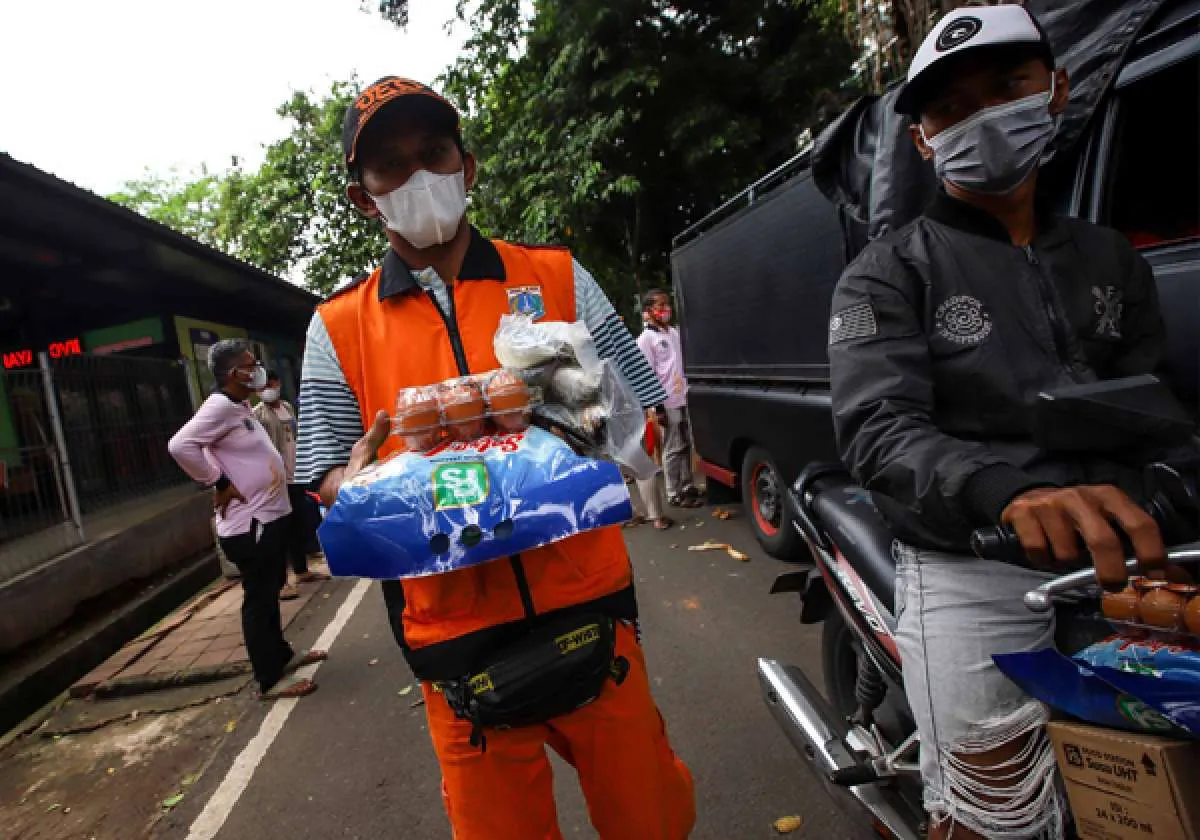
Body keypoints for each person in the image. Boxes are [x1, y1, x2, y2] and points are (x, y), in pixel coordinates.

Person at [294, 77, 694, 839]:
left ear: (466, 166)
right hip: (453, 643)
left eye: (433, 152)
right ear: (363, 196)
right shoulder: (337, 327)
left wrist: (582, 420)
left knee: (651, 818)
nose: (418, 176)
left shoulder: (554, 277)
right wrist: (362, 485)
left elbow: (641, 426)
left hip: (590, 610)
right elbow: (326, 478)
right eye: (390, 165)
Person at [828, 7, 1177, 839]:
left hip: (1131, 550)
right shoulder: (886, 271)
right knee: (994, 817)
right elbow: (879, 430)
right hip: (971, 563)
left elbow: (1158, 402)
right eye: (950, 107)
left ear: (1055, 91)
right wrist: (1005, 495)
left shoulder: (1111, 258)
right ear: (922, 141)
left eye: (1005, 87)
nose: (980, 116)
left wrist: (1171, 478)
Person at [168, 341, 326, 701]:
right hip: (249, 524)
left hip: (268, 516)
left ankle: (281, 656)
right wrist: (218, 481)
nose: (257, 370)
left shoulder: (237, 407)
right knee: (259, 598)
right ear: (232, 373)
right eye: (250, 365)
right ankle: (269, 679)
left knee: (270, 592)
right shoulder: (219, 406)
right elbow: (180, 446)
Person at [253, 370, 331, 600]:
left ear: (277, 382)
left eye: (270, 382)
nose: (267, 388)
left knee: (298, 524)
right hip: (277, 480)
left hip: (296, 476)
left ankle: (301, 570)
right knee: (280, 530)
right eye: (262, 385)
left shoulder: (287, 407)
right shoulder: (259, 415)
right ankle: (282, 582)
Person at [637, 289, 701, 509]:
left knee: (685, 444)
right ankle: (673, 492)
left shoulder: (673, 333)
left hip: (683, 396)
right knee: (672, 446)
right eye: (660, 306)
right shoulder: (647, 339)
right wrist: (657, 407)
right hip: (665, 400)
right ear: (649, 311)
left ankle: (687, 485)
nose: (665, 310)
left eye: (667, 305)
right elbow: (647, 374)